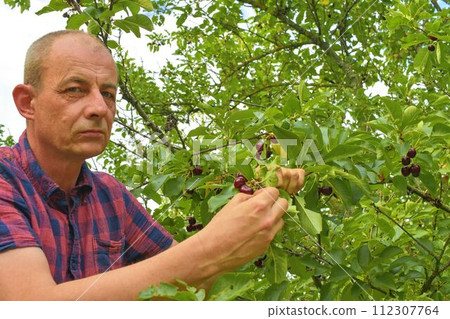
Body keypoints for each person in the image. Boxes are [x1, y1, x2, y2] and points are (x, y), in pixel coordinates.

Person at [0, 30, 305, 300]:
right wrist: (210, 248)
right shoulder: (5, 178)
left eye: (108, 94)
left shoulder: (110, 195)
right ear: (28, 103)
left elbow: (186, 287)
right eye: (74, 90)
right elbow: (28, 304)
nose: (98, 108)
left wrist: (251, 207)